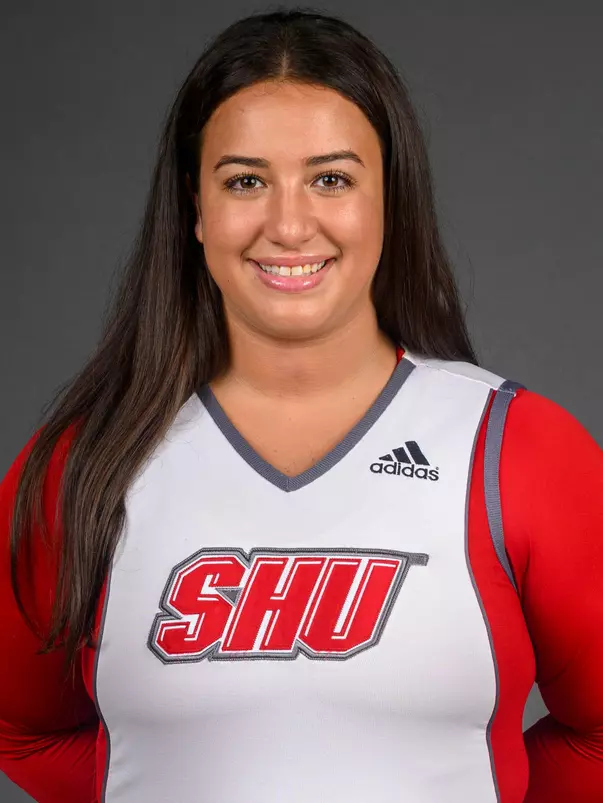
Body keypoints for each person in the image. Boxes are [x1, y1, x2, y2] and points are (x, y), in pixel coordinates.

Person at [1, 7, 602, 803]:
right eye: (245, 180)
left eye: (331, 178)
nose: (288, 225)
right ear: (196, 208)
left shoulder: (515, 448)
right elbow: (21, 730)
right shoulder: (85, 463)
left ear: (388, 196)